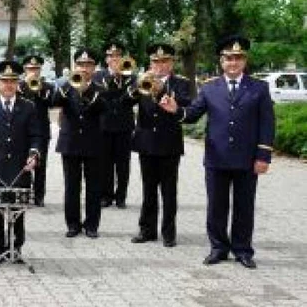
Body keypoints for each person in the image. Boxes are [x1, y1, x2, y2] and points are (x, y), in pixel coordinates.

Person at [159, 35, 275, 269]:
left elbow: (267, 123)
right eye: (228, 58)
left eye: (238, 58)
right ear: (221, 61)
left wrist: (263, 156)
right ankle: (219, 248)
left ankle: (242, 250)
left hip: (246, 159)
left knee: (244, 206)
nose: (233, 63)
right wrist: (175, 110)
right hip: (216, 158)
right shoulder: (210, 87)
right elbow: (192, 113)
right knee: (216, 206)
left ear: (244, 61)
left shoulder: (259, 88)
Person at [0, 60, 41, 261]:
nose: (9, 85)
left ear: (18, 83)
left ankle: (16, 248)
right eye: (4, 81)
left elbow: (36, 135)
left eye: (13, 80)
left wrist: (34, 155)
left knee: (18, 212)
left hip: (21, 167)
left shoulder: (29, 107)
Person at [130, 43, 192, 248]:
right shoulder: (140, 81)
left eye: (164, 61)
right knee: (148, 190)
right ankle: (147, 230)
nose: (159, 65)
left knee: (169, 191)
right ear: (150, 63)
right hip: (146, 143)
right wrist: (136, 86)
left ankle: (169, 233)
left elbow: (186, 104)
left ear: (171, 63)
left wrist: (161, 86)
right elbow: (124, 103)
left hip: (169, 144)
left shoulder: (180, 83)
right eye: (155, 61)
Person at [52, 49, 107, 239]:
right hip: (70, 142)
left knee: (94, 187)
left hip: (94, 143)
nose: (84, 68)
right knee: (71, 186)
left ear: (94, 68)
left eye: (88, 65)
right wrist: (69, 85)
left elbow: (102, 108)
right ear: (76, 66)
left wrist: (86, 89)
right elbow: (54, 101)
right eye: (81, 65)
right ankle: (73, 224)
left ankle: (91, 225)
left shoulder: (101, 88)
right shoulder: (67, 86)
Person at [94, 42, 136, 209]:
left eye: (117, 56)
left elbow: (131, 100)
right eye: (111, 56)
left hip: (124, 125)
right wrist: (113, 78)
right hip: (103, 125)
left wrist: (121, 77)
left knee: (123, 164)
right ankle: (106, 195)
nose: (114, 59)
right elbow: (101, 97)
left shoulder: (131, 77)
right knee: (104, 163)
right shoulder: (99, 76)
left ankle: (121, 197)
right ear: (106, 59)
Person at [18, 55, 52, 206]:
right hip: (22, 131)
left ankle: (39, 196)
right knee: (23, 164)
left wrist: (38, 89)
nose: (33, 71)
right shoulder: (18, 85)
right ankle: (24, 193)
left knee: (40, 165)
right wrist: (25, 85)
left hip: (41, 131)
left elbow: (50, 102)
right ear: (25, 69)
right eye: (30, 69)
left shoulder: (47, 87)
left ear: (40, 70)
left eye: (36, 69)